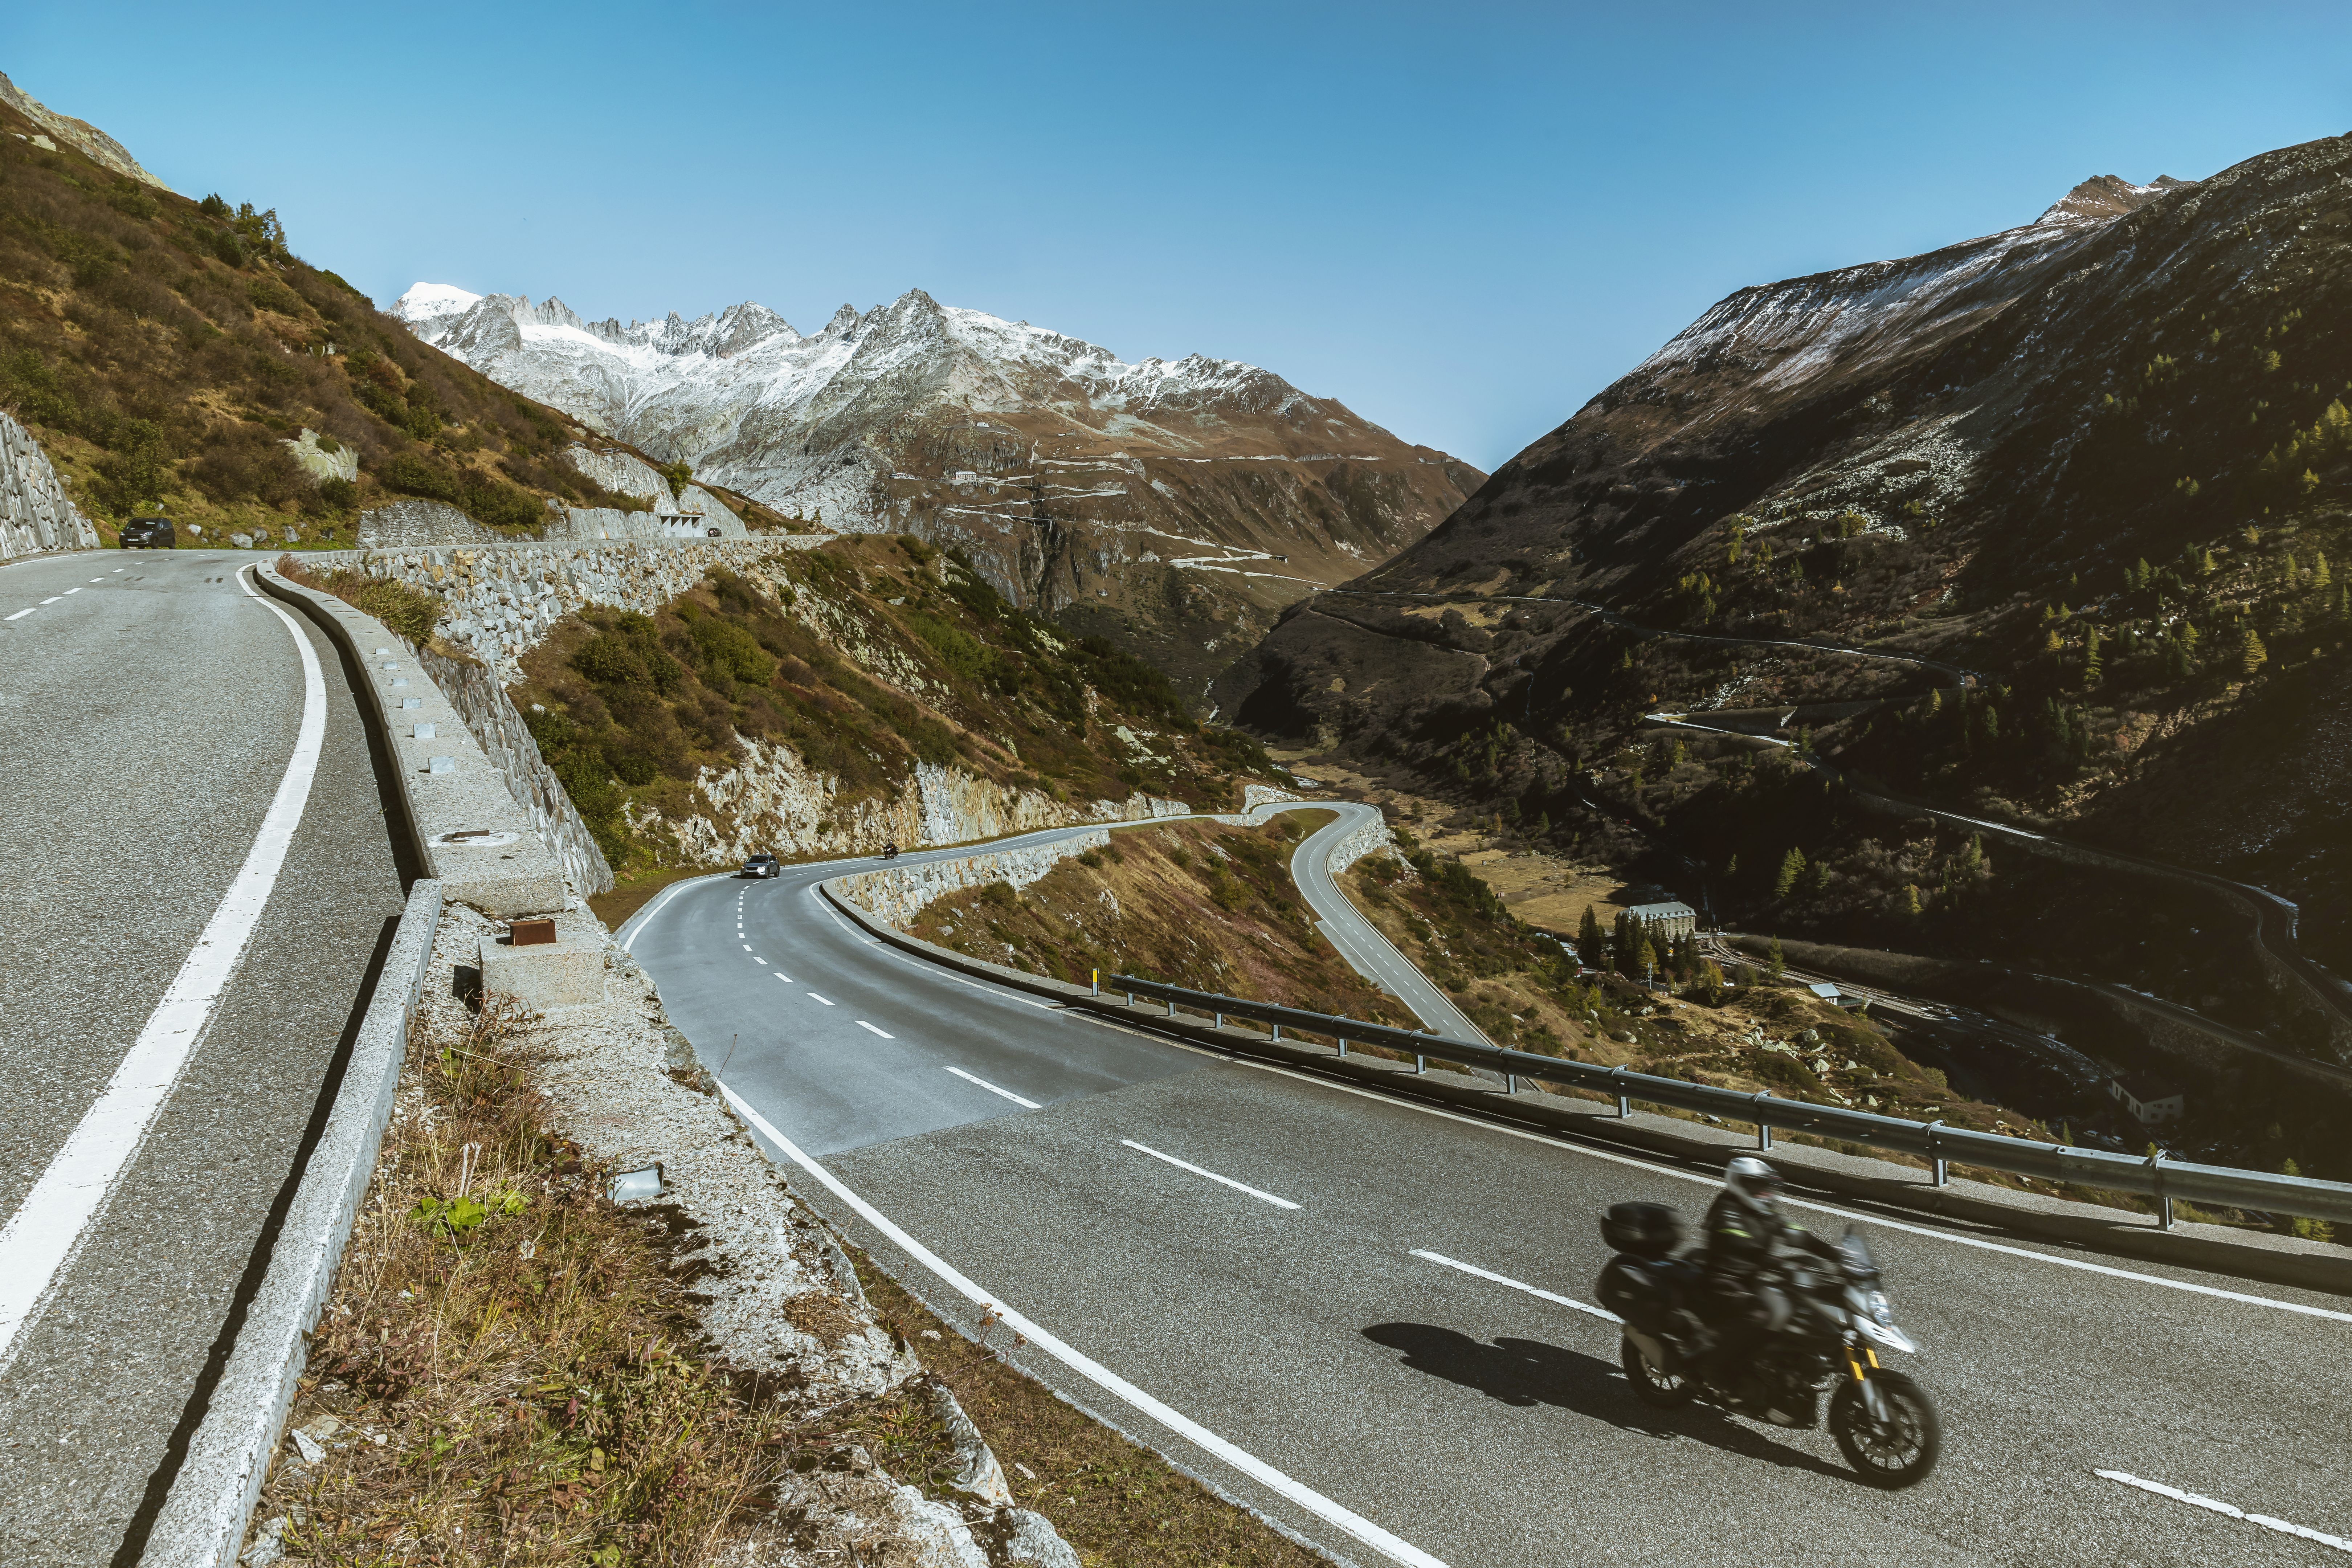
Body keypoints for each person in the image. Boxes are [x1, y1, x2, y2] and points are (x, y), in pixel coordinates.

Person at [1697, 1155, 1841, 1420]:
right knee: (1760, 1316)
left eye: (1764, 1185)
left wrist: (1833, 1254)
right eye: (1756, 1185)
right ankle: (1718, 1370)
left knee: (1799, 1310)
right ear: (1739, 1184)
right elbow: (1740, 1241)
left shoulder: (1765, 1211)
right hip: (1725, 1281)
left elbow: (1795, 1232)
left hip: (1754, 1278)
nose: (1762, 1191)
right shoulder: (1728, 1210)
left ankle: (1779, 1369)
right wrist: (1776, 1262)